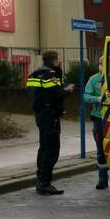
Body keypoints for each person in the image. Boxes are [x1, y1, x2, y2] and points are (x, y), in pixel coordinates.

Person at [27, 51, 74, 195]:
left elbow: (38, 93)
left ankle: (41, 181)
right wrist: (68, 90)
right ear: (54, 60)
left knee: (43, 148)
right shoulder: (49, 74)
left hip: (40, 115)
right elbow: (57, 93)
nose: (59, 62)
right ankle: (45, 183)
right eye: (58, 59)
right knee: (52, 150)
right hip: (50, 116)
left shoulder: (34, 74)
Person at [83, 70, 108, 189]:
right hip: (98, 117)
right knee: (100, 150)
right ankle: (102, 178)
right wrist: (97, 99)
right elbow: (86, 96)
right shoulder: (93, 79)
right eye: (100, 63)